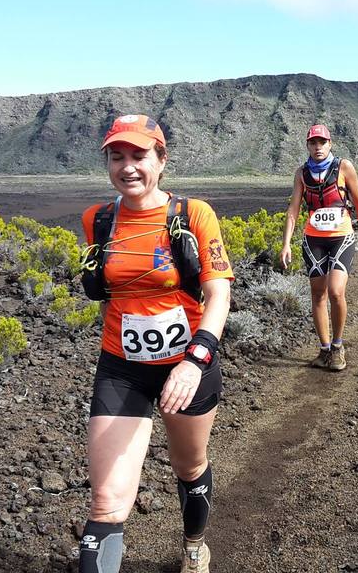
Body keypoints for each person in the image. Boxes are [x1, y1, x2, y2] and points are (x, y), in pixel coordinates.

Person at [78, 115, 233, 573]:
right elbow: (107, 294)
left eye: (139, 155)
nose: (127, 166)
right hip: (121, 368)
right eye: (116, 157)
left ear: (161, 161)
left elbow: (219, 293)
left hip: (187, 365)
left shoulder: (194, 214)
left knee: (189, 466)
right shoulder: (98, 220)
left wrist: (195, 361)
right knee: (106, 502)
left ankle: (194, 544)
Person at [281, 124, 358, 372]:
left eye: (322, 142)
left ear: (330, 144)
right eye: (313, 143)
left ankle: (338, 346)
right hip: (313, 240)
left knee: (335, 292)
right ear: (307, 145)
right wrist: (286, 244)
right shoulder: (301, 173)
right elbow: (293, 209)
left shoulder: (344, 167)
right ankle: (324, 350)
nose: (318, 147)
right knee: (318, 295)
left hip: (341, 238)